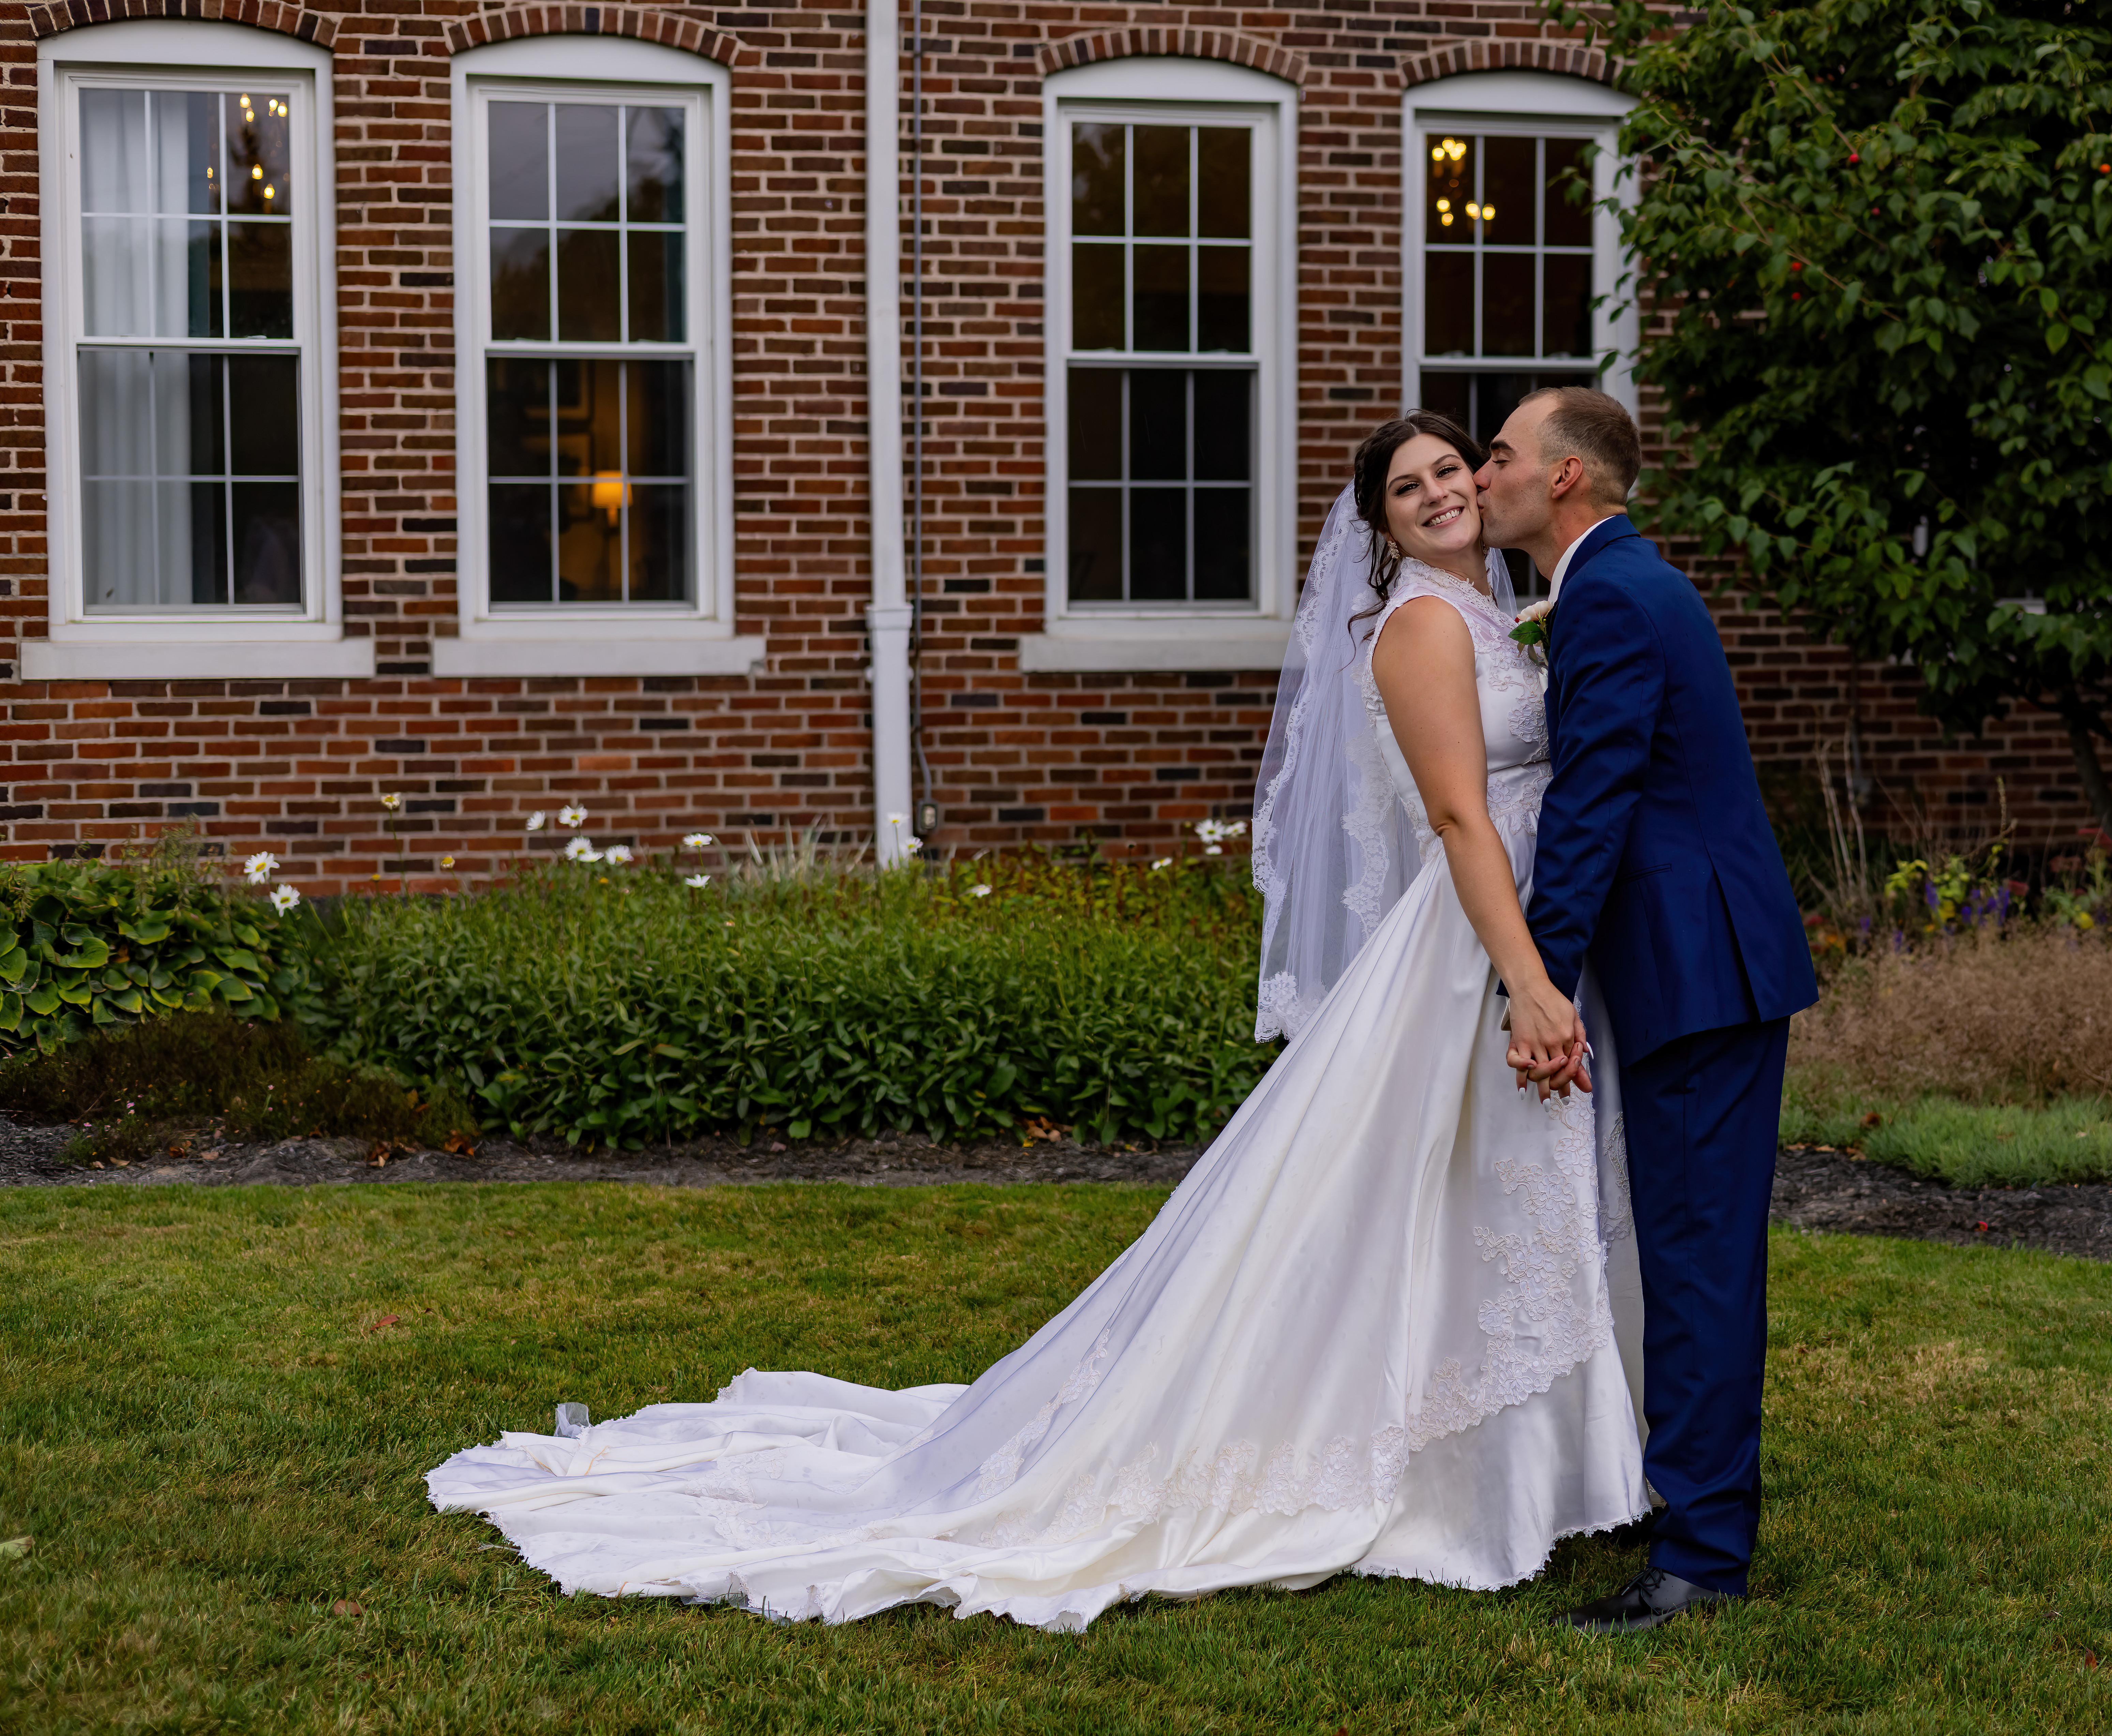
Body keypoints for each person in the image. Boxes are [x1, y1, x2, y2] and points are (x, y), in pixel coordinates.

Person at [424, 409, 1652, 1632]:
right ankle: (1472, 1475)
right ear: (1379, 527)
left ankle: (1542, 1463)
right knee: (1466, 1193)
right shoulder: (1424, 624)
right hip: (1475, 942)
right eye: (1407, 488)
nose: (1441, 492)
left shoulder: (1501, 613)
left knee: (1485, 1198)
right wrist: (1528, 980)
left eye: (1452, 470)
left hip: (1520, 923)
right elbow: (1458, 819)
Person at [1476, 387, 1819, 1634]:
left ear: (1566, 478)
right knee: (1690, 1254)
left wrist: (1542, 979)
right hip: (1703, 960)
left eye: (1505, 455)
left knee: (1696, 1264)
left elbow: (1597, 800)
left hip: (1694, 969)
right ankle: (1687, 1505)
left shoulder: (1611, 594)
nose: (1485, 472)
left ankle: (1704, 1556)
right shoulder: (1622, 585)